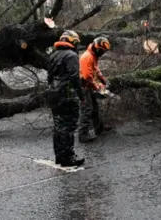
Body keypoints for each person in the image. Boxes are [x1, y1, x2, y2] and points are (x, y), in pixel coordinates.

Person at [46, 30, 85, 167]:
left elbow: (49, 77)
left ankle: (59, 156)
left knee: (58, 126)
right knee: (68, 126)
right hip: (66, 95)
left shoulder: (53, 55)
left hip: (53, 94)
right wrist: (81, 95)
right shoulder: (71, 56)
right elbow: (74, 77)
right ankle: (68, 156)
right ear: (73, 41)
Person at [78, 36, 113, 142]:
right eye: (101, 51)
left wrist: (102, 79)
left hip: (88, 85)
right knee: (86, 109)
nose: (102, 53)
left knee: (94, 107)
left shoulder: (93, 56)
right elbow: (87, 76)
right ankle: (83, 134)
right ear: (97, 48)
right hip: (83, 86)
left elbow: (95, 70)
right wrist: (97, 87)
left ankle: (99, 128)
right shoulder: (87, 57)